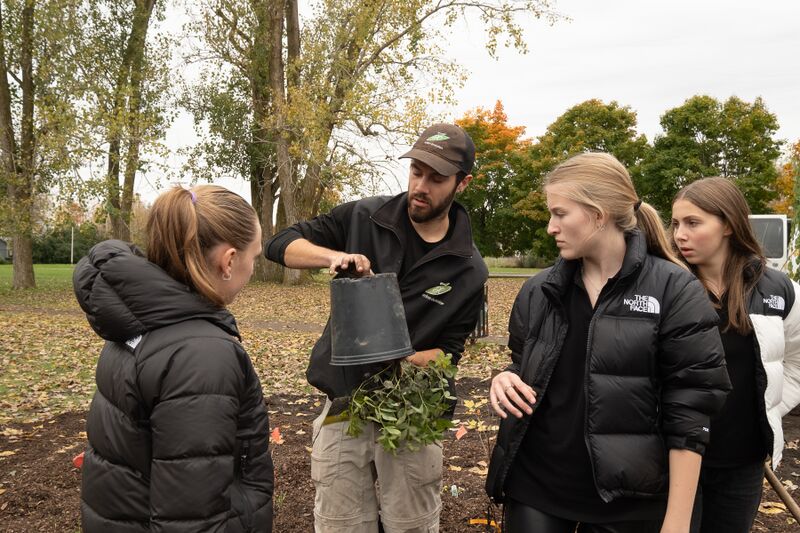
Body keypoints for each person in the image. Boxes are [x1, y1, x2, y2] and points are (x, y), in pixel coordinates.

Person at [484, 152, 732, 533]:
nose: (551, 227)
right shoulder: (539, 291)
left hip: (632, 504)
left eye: (560, 213)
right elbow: (524, 364)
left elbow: (691, 411)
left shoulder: (673, 289)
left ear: (598, 214)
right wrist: (505, 377)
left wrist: (678, 521)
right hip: (538, 490)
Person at [265, 123, 488, 532]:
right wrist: (333, 256)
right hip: (344, 406)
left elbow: (449, 355)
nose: (421, 185)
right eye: (416, 171)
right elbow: (280, 244)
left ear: (463, 184)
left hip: (411, 420)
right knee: (340, 526)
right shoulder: (364, 217)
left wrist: (400, 356)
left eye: (436, 178)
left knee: (411, 526)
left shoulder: (469, 268)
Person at [73, 185, 274, 532]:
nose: (253, 269)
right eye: (253, 257)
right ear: (228, 261)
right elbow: (192, 519)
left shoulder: (138, 323)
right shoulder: (201, 355)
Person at [670, 177, 800, 532]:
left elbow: (797, 359)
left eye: (693, 223)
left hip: (743, 462)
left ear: (728, 224)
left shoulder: (779, 289)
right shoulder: (666, 285)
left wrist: (770, 406)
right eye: (676, 223)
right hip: (674, 457)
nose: (680, 234)